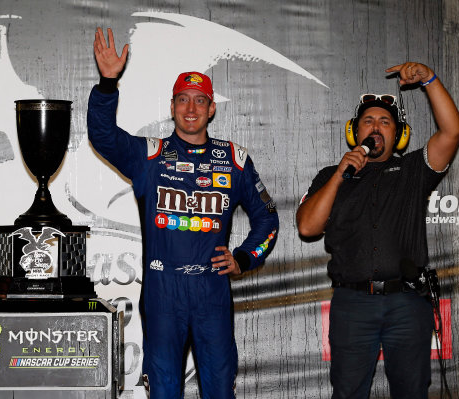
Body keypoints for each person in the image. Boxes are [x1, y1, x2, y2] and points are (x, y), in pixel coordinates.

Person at [87, 27, 279, 399]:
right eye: (182, 100)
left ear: (212, 109)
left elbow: (267, 218)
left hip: (211, 291)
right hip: (163, 292)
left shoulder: (234, 159)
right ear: (172, 106)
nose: (191, 109)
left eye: (199, 100)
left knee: (220, 390)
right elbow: (103, 136)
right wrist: (108, 83)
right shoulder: (150, 155)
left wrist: (244, 257)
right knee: (163, 391)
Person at [297, 62, 459, 399]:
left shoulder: (412, 169)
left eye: (385, 122)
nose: (376, 126)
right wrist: (341, 174)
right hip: (351, 304)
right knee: (348, 393)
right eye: (368, 121)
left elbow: (452, 133)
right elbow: (307, 227)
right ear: (354, 132)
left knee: (411, 392)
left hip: (407, 303)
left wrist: (429, 80)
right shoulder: (331, 175)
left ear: (399, 134)